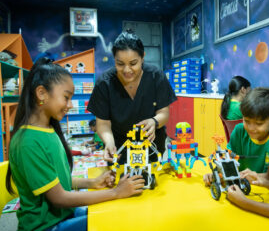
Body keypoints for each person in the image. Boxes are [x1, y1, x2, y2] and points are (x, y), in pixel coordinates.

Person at [6, 58, 145, 231]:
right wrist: (116, 192)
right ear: (41, 93)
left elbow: (57, 181)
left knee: (111, 210)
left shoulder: (48, 130)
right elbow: (59, 197)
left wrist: (92, 183)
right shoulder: (28, 142)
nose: (70, 105)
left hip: (62, 214)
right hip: (46, 226)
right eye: (66, 97)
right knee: (114, 221)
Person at [87, 30, 177, 164]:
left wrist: (154, 121)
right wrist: (109, 142)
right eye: (120, 64)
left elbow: (163, 113)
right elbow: (103, 123)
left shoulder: (156, 76)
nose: (127, 70)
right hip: (119, 151)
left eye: (133, 63)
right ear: (114, 60)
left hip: (152, 149)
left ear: (142, 57)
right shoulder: (105, 83)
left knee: (151, 181)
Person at [204, 87, 269, 185]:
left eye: (259, 123)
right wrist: (217, 174)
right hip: (241, 185)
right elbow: (228, 160)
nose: (250, 128)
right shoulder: (239, 131)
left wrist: (254, 176)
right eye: (247, 121)